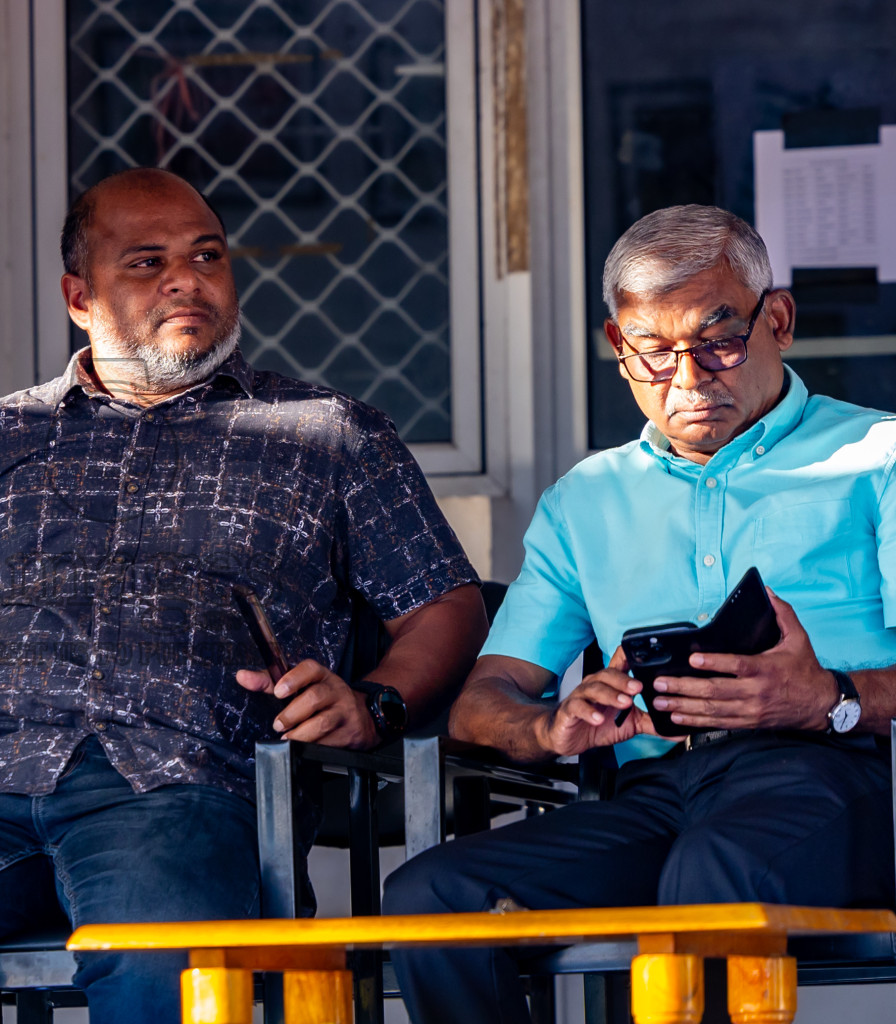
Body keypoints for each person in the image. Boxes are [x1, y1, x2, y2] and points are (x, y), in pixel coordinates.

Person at [0, 167, 487, 1023]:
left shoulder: (328, 433)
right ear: (79, 297)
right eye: (146, 262)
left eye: (207, 255)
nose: (187, 279)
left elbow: (444, 602)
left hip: (189, 781)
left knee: (164, 981)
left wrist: (376, 702)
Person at [382, 204, 896, 1023]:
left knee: (711, 876)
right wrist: (549, 728)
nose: (689, 380)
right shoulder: (587, 499)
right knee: (435, 893)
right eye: (654, 354)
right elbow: (485, 702)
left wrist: (828, 696)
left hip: (841, 777)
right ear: (620, 350)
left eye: (717, 341)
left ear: (780, 321)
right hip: (655, 794)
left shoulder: (876, 459)